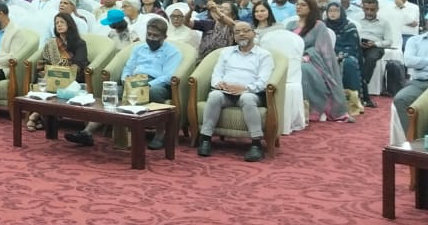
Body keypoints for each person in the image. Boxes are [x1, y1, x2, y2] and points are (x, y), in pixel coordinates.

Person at [66, 16, 178, 148]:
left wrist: (147, 85)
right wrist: (125, 79)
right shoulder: (139, 48)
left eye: (156, 36)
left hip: (155, 84)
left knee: (153, 92)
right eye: (149, 34)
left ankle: (160, 135)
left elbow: (167, 76)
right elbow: (128, 67)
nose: (151, 38)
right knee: (112, 93)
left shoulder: (172, 52)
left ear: (165, 37)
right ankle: (87, 132)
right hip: (133, 81)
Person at [195, 22, 274, 162]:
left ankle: (256, 145)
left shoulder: (264, 55)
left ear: (254, 33)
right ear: (233, 36)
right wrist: (219, 84)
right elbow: (217, 74)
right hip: (226, 93)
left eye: (245, 31)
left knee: (247, 99)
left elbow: (264, 81)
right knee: (214, 96)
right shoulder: (226, 52)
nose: (241, 34)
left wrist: (245, 88)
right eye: (237, 32)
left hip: (251, 93)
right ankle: (205, 139)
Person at [28, 12, 89, 132]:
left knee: (58, 82)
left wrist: (61, 72)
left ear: (69, 24)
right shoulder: (52, 43)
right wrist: (50, 71)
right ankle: (43, 119)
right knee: (45, 80)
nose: (59, 25)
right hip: (52, 75)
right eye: (56, 23)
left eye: (62, 22)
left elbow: (78, 64)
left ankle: (35, 115)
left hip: (73, 77)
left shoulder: (80, 43)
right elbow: (44, 62)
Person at [294, 0, 350, 122]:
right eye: (297, 4)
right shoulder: (291, 25)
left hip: (313, 62)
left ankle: (310, 110)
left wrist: (306, 57)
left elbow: (321, 48)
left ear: (311, 8)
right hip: (292, 59)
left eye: (303, 5)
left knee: (304, 69)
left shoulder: (318, 26)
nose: (299, 7)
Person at [394, 20, 428, 134]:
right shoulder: (414, 40)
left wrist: (421, 63)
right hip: (419, 82)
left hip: (421, 77)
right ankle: (412, 138)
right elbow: (409, 61)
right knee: (401, 99)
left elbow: (415, 62)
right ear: (426, 23)